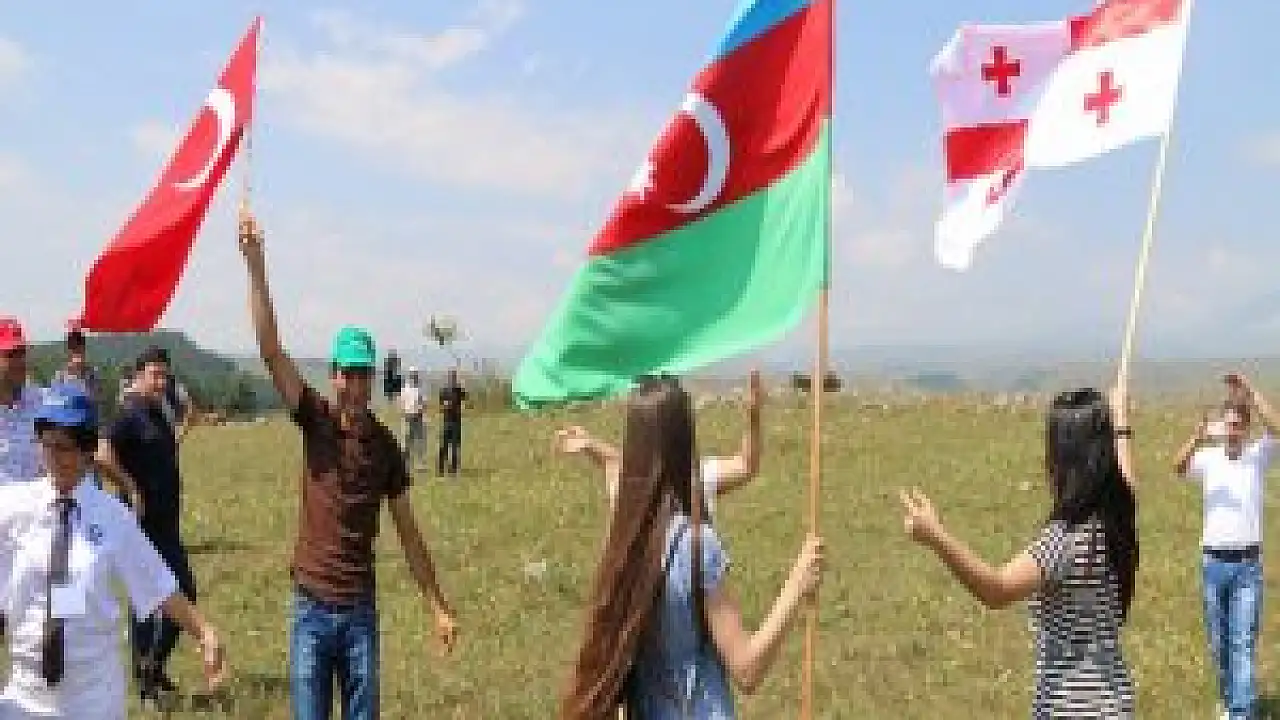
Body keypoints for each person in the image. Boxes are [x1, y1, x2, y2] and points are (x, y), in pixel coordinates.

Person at [237, 212, 458, 720]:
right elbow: (270, 350)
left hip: (359, 613)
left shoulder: (385, 448)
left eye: (364, 375)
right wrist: (255, 264)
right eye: (348, 374)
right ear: (333, 376)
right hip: (310, 611)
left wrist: (437, 606)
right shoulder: (314, 419)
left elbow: (409, 534)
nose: (356, 386)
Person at [560, 376, 824, 719]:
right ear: (684, 439)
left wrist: (593, 446)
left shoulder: (622, 540)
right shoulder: (696, 547)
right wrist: (797, 584)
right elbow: (747, 669)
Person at [900, 386, 1139, 718]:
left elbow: (997, 590)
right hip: (1114, 703)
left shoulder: (1063, 541)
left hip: (1070, 707)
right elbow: (1126, 477)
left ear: (1063, 461)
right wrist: (1120, 421)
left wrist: (936, 536)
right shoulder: (1117, 517)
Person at [0, 382, 226, 719]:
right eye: (46, 444)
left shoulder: (112, 516)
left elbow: (158, 582)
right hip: (25, 695)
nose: (54, 457)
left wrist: (204, 633)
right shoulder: (12, 507)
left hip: (92, 696)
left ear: (87, 450)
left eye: (65, 447)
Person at [1174, 373, 1279, 720]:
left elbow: (1278, 429)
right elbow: (1178, 467)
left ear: (1247, 428)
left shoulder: (1258, 456)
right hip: (1213, 564)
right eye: (1228, 424)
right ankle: (1231, 700)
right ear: (1222, 425)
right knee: (1220, 643)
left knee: (1242, 641)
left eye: (1238, 425)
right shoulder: (1208, 458)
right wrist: (1196, 437)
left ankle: (1241, 712)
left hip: (1248, 566)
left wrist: (1251, 392)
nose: (1233, 431)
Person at [99, 346, 196, 701]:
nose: (160, 382)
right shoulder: (129, 413)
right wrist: (130, 486)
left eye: (164, 375)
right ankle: (145, 681)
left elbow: (163, 452)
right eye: (155, 375)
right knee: (148, 600)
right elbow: (101, 453)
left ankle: (153, 667)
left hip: (167, 524)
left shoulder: (159, 412)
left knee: (182, 594)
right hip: (142, 526)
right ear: (139, 376)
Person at [555, 371, 764, 519]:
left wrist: (590, 444)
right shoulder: (698, 478)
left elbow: (616, 461)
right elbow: (745, 465)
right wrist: (753, 417)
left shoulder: (624, 485)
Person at [51, 329, 103, 421]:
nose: (77, 353)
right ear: (69, 352)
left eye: (79, 349)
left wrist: (79, 376)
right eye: (74, 349)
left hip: (88, 422)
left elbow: (97, 399)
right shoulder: (61, 376)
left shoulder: (92, 374)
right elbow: (56, 403)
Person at [398, 368, 428, 470]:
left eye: (415, 374)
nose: (414, 376)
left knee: (420, 441)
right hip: (408, 417)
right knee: (407, 441)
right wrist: (404, 413)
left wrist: (421, 411)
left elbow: (424, 403)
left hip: (418, 417)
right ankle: (406, 463)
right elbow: (401, 403)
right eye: (412, 374)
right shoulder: (405, 389)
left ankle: (420, 463)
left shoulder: (421, 388)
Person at [437, 368, 466, 476]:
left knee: (455, 446)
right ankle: (441, 467)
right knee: (444, 445)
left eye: (454, 377)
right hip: (447, 421)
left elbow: (466, 399)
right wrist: (446, 405)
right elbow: (440, 404)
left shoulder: (459, 390)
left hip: (456, 421)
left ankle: (453, 468)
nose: (453, 379)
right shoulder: (444, 390)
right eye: (451, 376)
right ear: (449, 378)